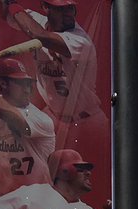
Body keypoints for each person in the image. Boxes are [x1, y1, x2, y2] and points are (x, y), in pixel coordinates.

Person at [10, 0, 108, 147]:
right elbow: (7, 13)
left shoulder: (80, 40)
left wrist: (13, 6)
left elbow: (39, 36)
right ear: (45, 7)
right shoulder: (37, 22)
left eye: (70, 8)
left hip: (87, 121)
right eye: (61, 9)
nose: (68, 13)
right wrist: (7, 5)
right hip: (53, 117)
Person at [0, 57, 55, 198]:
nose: (27, 90)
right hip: (2, 198)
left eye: (28, 84)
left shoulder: (40, 119)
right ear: (2, 83)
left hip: (37, 200)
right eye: (21, 84)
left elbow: (14, 118)